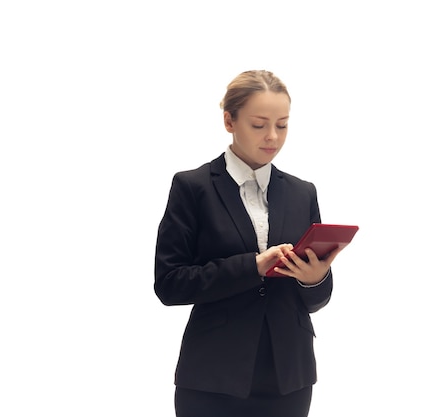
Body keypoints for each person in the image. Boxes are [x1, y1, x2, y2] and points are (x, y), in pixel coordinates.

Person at [154, 70, 343, 417]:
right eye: (259, 125)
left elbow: (315, 301)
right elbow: (169, 284)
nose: (273, 136)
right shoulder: (192, 188)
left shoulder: (303, 193)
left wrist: (313, 278)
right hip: (213, 377)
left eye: (282, 125)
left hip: (289, 377)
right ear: (229, 120)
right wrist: (253, 266)